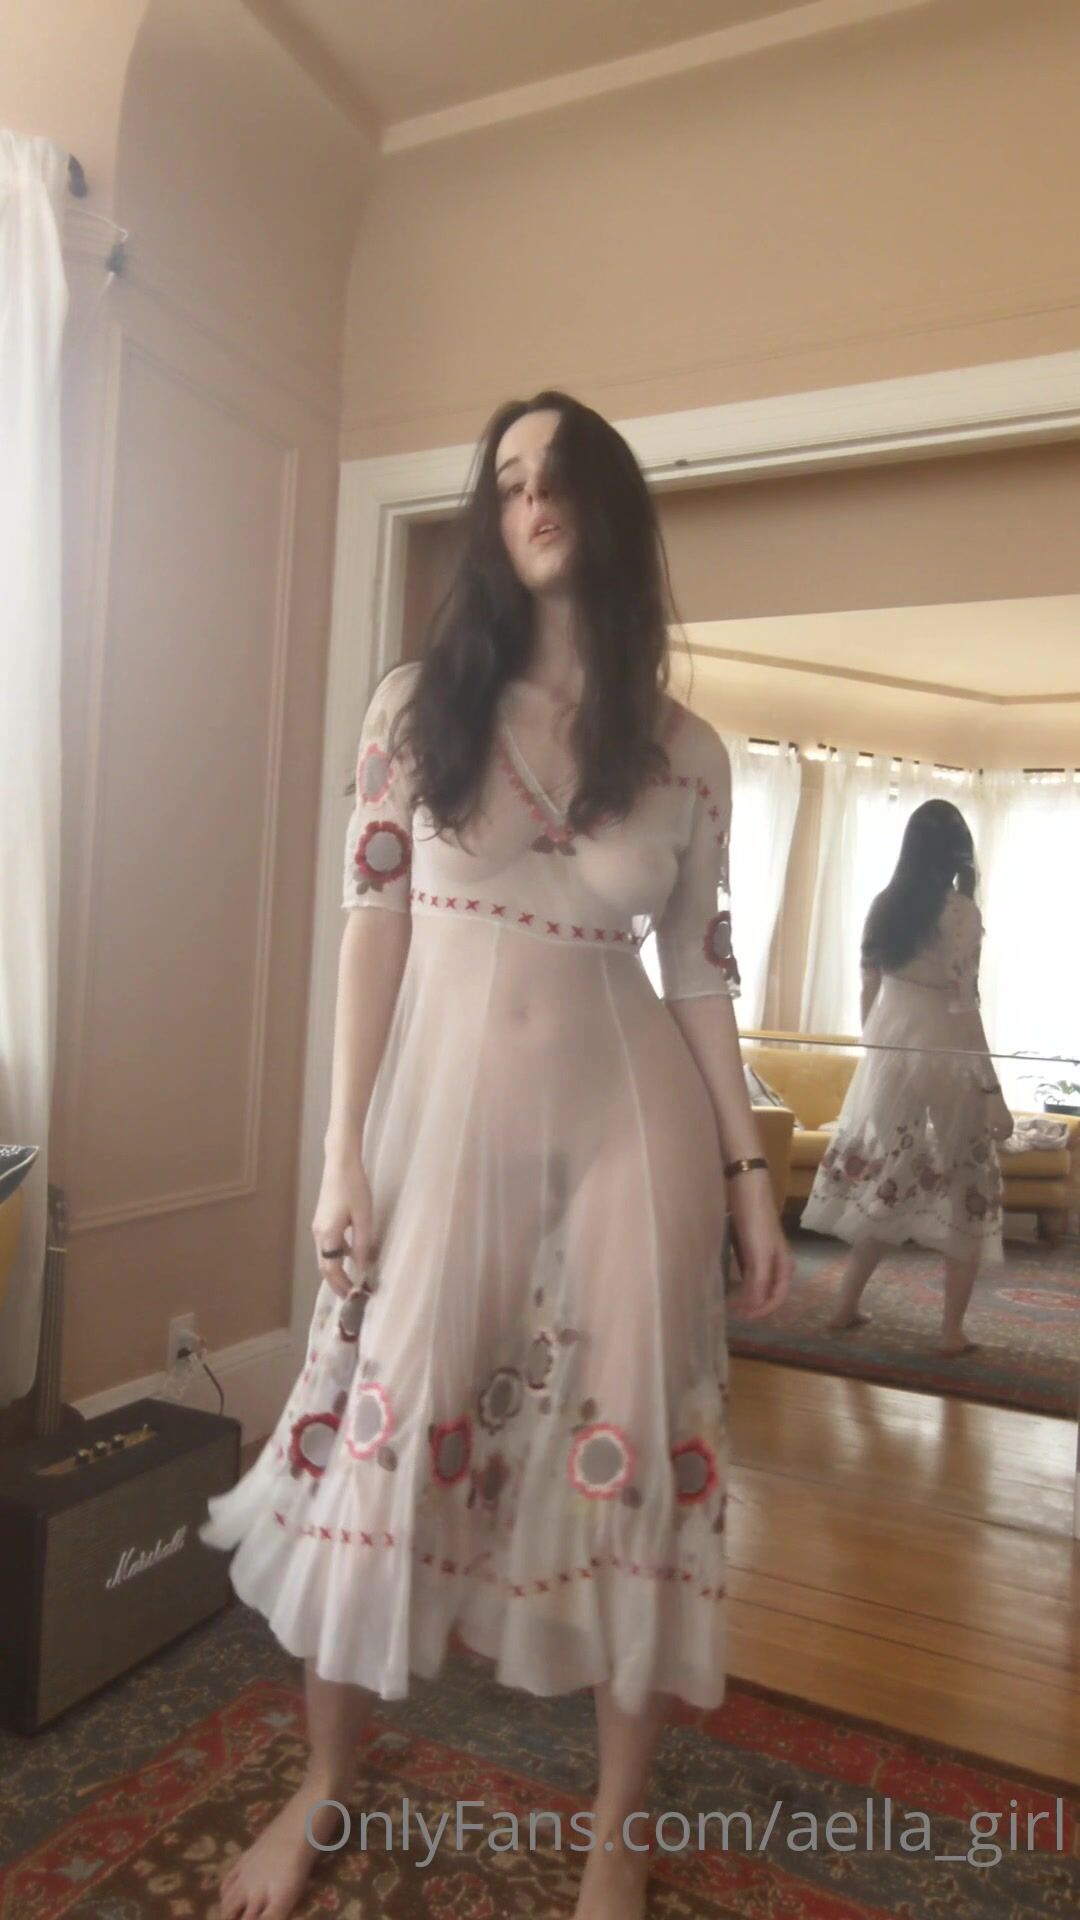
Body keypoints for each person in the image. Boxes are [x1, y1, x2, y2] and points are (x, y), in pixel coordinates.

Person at [201, 390, 792, 1920]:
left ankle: (615, 1827)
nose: (534, 499)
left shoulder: (686, 751)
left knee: (634, 1465)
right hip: (442, 1128)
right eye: (509, 479)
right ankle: (324, 1780)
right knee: (382, 1447)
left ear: (610, 506)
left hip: (632, 1133)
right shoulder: (416, 709)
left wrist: (749, 1178)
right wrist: (340, 1152)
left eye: (560, 474)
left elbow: (701, 977)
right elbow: (371, 929)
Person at [801, 799, 1013, 1356]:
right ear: (958, 852)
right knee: (968, 1181)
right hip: (943, 1052)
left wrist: (878, 1054)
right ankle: (950, 1333)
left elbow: (867, 989)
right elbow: (965, 1007)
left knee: (891, 1175)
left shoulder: (884, 905)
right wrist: (992, 1090)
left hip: (891, 1050)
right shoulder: (960, 912)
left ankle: (844, 1306)